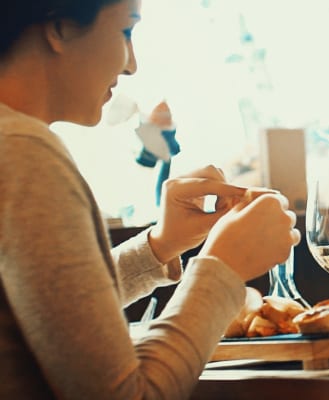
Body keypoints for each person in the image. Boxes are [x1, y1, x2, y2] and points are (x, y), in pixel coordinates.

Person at [0, 0, 301, 398]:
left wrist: (159, 247)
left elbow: (50, 309)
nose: (131, 65)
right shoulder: (25, 154)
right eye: (126, 31)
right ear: (59, 29)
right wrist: (223, 268)